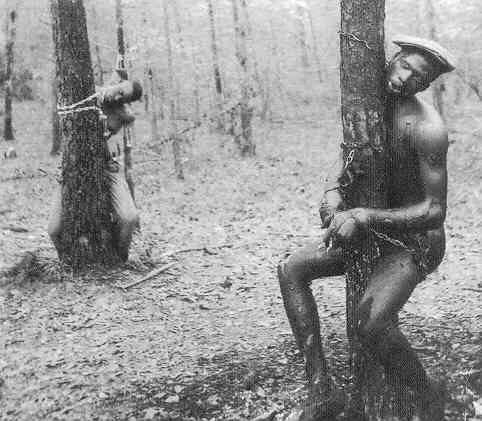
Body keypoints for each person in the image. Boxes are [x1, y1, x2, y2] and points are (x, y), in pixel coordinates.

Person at [277, 35, 456, 421]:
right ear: (393, 57)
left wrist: (365, 217)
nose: (405, 78)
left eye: (418, 77)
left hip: (414, 241)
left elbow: (435, 210)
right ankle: (321, 390)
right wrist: (331, 192)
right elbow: (347, 158)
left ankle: (428, 396)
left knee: (370, 324)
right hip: (369, 229)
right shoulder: (366, 103)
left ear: (425, 85)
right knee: (291, 269)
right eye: (404, 65)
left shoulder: (427, 128)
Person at [48, 77, 142, 262]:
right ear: (117, 82)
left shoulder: (121, 114)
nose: (117, 97)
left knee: (129, 218)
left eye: (123, 98)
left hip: (108, 168)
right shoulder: (87, 93)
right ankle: (66, 262)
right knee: (53, 229)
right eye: (120, 91)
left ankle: (119, 258)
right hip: (73, 168)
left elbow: (125, 120)